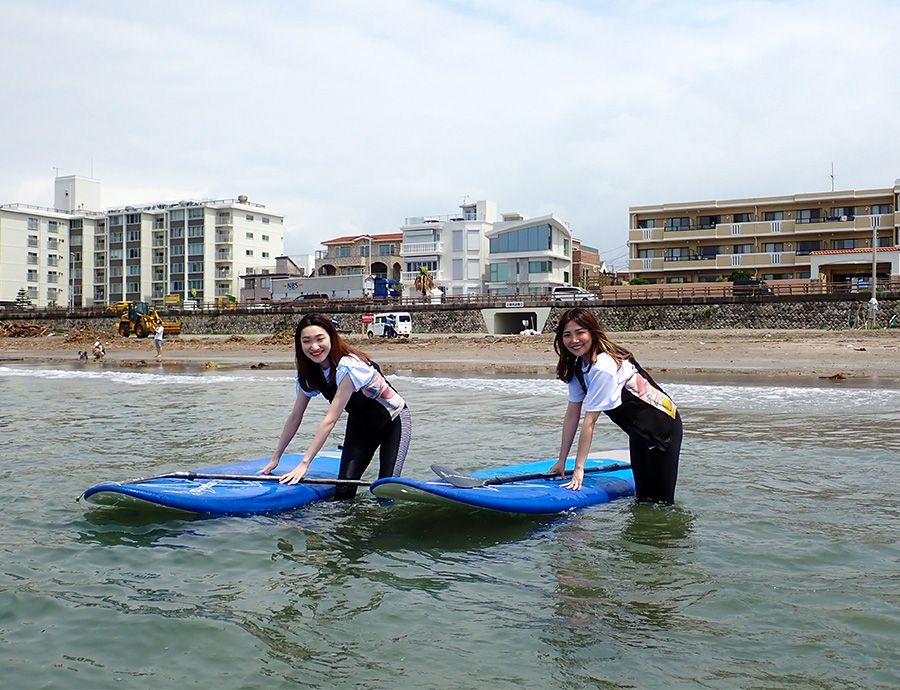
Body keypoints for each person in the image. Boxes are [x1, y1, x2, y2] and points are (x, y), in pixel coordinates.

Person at [261, 312, 412, 499]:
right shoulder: (310, 374)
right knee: (344, 491)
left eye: (320, 339)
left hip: (393, 421)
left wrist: (304, 464)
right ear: (299, 345)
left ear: (331, 337)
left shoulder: (349, 366)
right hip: (360, 426)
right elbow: (295, 416)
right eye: (306, 341)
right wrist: (276, 458)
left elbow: (330, 420)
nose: (314, 346)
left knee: (385, 490)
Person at [549, 308, 682, 504]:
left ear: (592, 333)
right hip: (638, 432)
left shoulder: (604, 366)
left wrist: (579, 470)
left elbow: (590, 423)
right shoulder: (579, 367)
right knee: (643, 498)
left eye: (580, 333)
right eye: (567, 335)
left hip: (663, 428)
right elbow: (572, 415)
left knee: (661, 503)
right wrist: (562, 460)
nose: (574, 340)